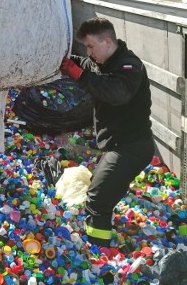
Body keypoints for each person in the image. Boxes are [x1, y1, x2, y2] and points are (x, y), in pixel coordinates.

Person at [60, 17, 154, 248]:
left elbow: (117, 93)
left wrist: (80, 76)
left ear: (107, 41)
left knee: (97, 199)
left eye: (91, 46)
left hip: (131, 147)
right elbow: (87, 65)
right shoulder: (102, 62)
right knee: (101, 189)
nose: (89, 53)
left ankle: (99, 249)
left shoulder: (129, 66)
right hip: (116, 145)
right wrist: (66, 61)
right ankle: (102, 235)